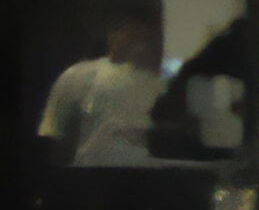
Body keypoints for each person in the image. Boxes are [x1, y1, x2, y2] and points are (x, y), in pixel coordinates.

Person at [38, 12, 166, 168]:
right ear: (113, 36)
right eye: (134, 35)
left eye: (146, 37)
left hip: (149, 175)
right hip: (93, 175)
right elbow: (52, 131)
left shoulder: (161, 86)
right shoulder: (79, 75)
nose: (140, 45)